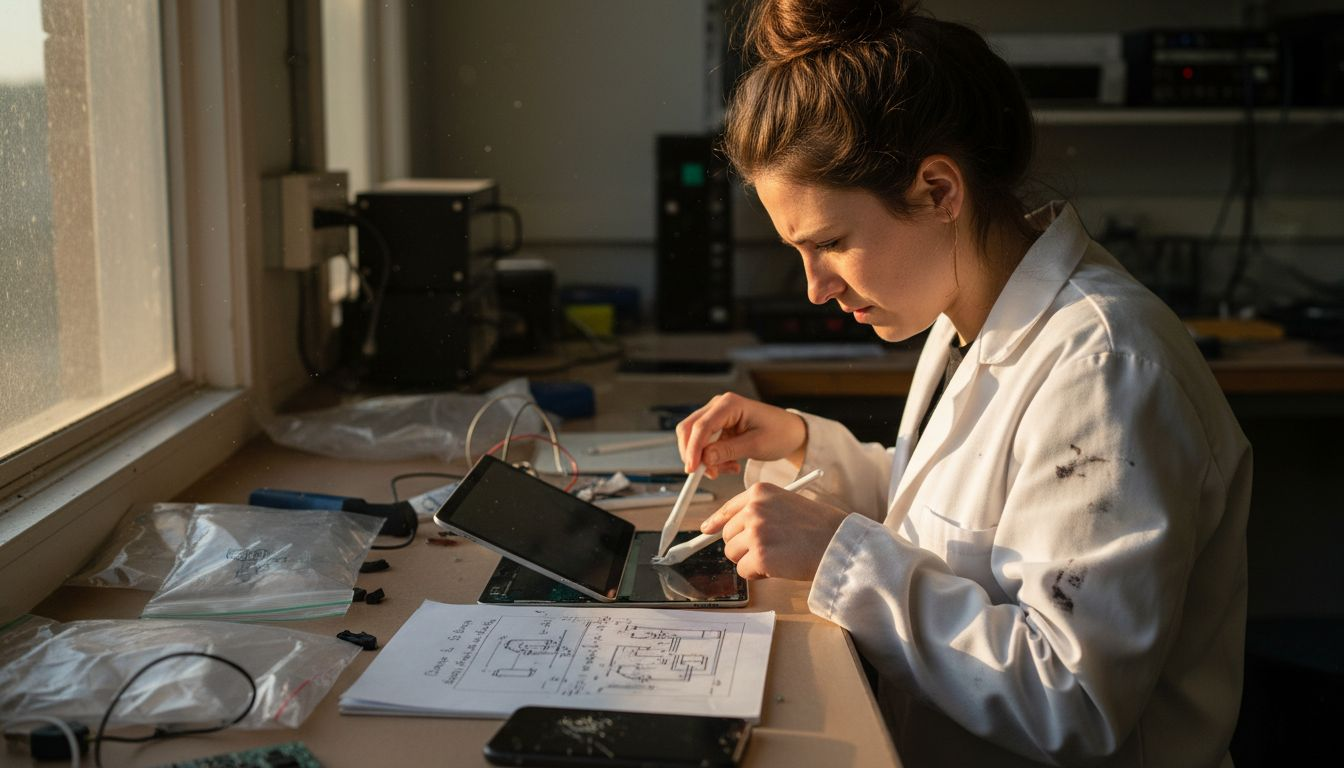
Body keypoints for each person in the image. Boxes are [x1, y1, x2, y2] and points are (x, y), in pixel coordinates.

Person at [675, 1, 1252, 765]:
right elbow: (961, 522)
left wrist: (839, 556)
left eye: (832, 243)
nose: (816, 288)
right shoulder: (968, 313)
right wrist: (804, 444)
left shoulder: (1107, 369)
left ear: (939, 191)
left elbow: (1071, 701)